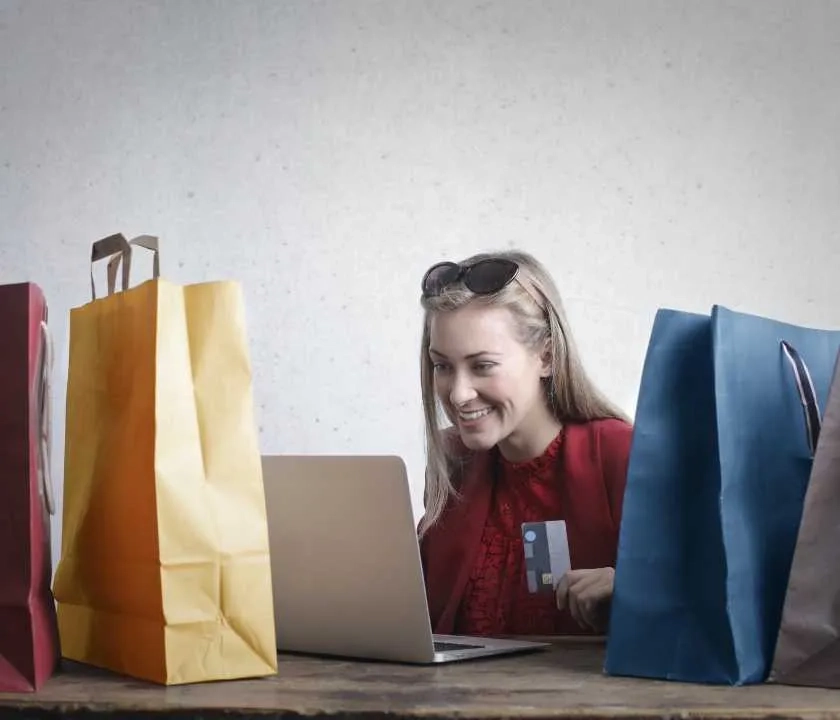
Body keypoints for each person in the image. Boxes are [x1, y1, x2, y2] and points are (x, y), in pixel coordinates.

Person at [416, 250, 633, 637]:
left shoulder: (618, 455)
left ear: (546, 357)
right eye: (442, 366)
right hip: (459, 695)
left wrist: (636, 589)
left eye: (482, 365)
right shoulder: (454, 463)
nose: (459, 394)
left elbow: (706, 591)